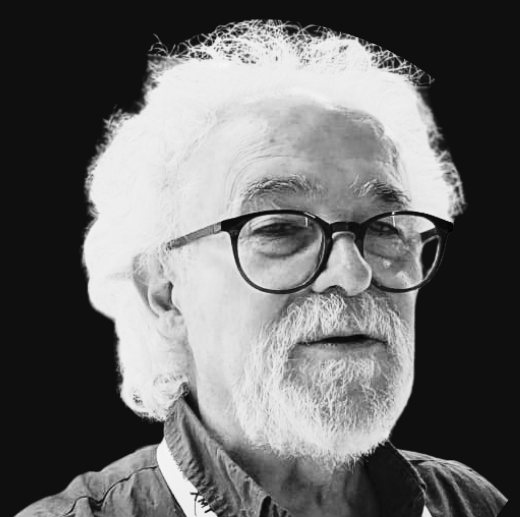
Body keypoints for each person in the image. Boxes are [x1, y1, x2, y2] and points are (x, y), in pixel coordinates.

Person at [17, 20, 507, 517]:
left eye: (386, 228)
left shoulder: (472, 504)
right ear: (164, 294)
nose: (352, 273)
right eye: (279, 229)